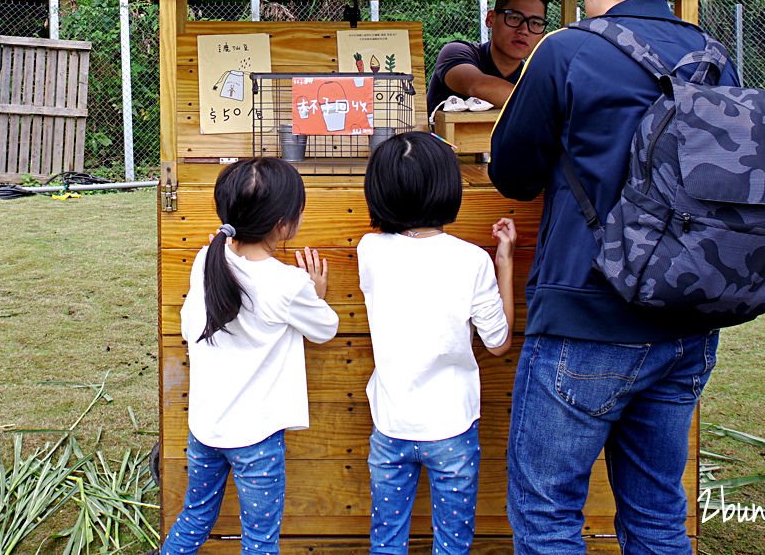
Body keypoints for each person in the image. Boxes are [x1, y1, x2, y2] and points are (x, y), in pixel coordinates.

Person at [488, 0, 737, 555]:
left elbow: (513, 171)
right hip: (687, 321)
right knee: (657, 516)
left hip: (587, 316)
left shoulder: (566, 50)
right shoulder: (714, 57)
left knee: (548, 517)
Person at [160, 157, 339, 555]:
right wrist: (317, 292)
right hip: (256, 440)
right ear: (283, 224)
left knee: (194, 517)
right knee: (259, 540)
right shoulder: (288, 283)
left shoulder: (208, 258)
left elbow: (191, 326)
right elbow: (326, 329)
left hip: (205, 429)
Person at [358, 131, 517, 555]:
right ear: (450, 188)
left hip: (391, 425)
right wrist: (505, 261)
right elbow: (499, 342)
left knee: (387, 543)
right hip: (452, 427)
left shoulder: (369, 249)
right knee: (452, 545)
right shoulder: (471, 260)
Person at [425, 0, 553, 114]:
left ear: (542, 34)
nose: (524, 30)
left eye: (535, 23)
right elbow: (478, 86)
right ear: (490, 19)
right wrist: (549, 106)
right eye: (514, 18)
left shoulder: (531, 78)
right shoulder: (457, 52)